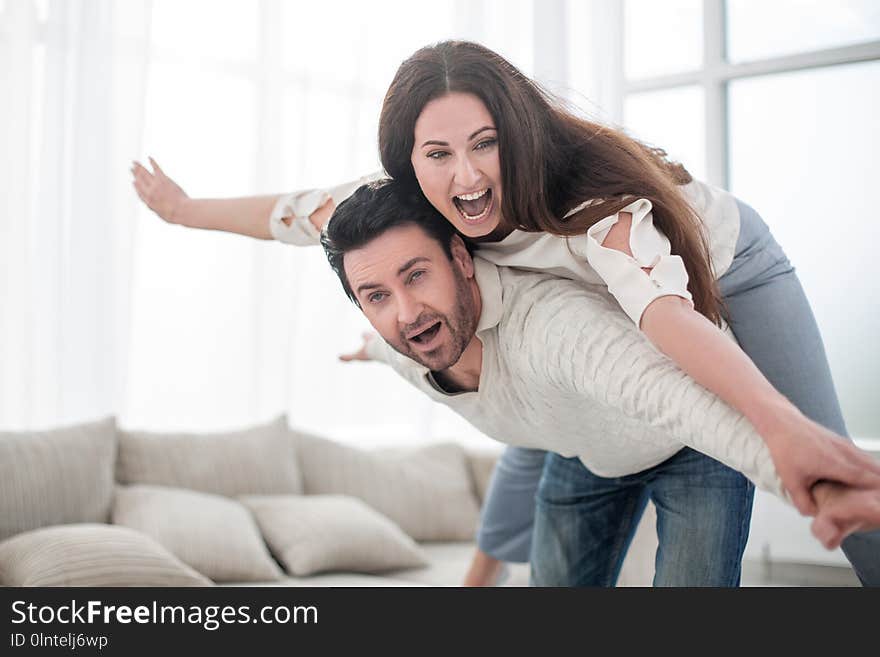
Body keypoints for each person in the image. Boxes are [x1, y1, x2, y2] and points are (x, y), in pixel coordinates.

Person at [131, 39, 880, 585]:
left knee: (824, 450)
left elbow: (661, 314)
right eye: (438, 154)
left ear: (513, 135)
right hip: (582, 352)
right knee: (539, 405)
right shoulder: (406, 213)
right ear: (407, 158)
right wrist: (184, 210)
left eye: (486, 144)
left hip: (726, 264)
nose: (465, 175)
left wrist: (780, 427)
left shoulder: (590, 204)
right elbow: (289, 214)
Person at [320, 179, 880, 585]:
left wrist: (821, 486)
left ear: (462, 260)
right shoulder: (406, 348)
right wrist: (367, 352)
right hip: (587, 454)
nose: (406, 311)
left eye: (417, 274)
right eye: (376, 297)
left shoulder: (550, 327)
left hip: (690, 443)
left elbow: (683, 404)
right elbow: (385, 341)